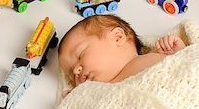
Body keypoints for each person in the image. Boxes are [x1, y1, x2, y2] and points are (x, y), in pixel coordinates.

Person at [58, 14, 187, 89]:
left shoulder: (154, 56)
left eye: (80, 55)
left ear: (118, 37)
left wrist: (179, 51)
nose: (76, 71)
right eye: (71, 74)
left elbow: (188, 65)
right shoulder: (102, 91)